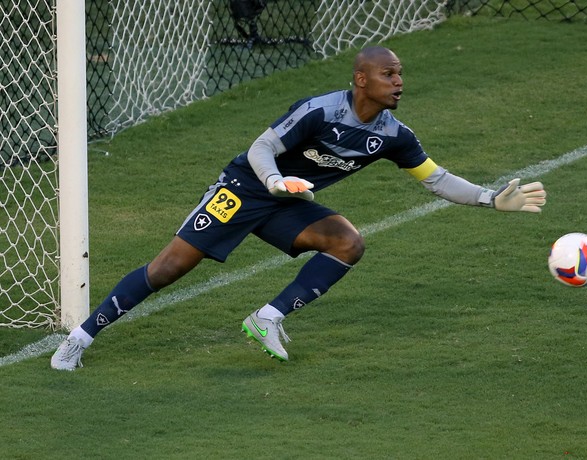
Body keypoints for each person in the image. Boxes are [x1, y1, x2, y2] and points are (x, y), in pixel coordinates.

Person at [51, 46, 546, 370]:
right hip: (246, 189)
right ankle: (80, 338)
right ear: (361, 79)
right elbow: (260, 148)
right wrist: (274, 180)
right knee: (169, 268)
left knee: (347, 242)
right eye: (388, 74)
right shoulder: (319, 110)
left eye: (399, 75)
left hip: (291, 203)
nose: (398, 82)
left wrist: (489, 197)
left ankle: (267, 317)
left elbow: (435, 179)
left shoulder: (395, 136)